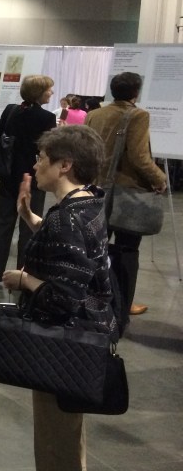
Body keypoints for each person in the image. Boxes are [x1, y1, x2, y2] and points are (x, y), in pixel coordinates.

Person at [0, 124, 116, 471]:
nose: (35, 163)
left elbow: (63, 294)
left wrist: (22, 279)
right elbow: (76, 252)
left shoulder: (68, 216)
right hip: (82, 344)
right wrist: (31, 218)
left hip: (63, 346)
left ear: (65, 165)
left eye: (43, 157)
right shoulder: (88, 204)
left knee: (57, 442)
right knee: (63, 438)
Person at [85, 72, 167, 316]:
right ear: (136, 93)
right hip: (125, 192)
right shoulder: (138, 115)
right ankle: (121, 304)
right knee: (127, 251)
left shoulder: (94, 114)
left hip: (95, 188)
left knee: (95, 248)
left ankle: (92, 298)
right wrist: (159, 178)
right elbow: (139, 157)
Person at [0, 75, 57, 288]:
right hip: (33, 179)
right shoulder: (46, 118)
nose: (51, 93)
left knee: (2, 227)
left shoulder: (10, 110)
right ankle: (22, 274)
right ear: (39, 92)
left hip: (8, 177)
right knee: (29, 227)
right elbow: (48, 148)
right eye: (48, 89)